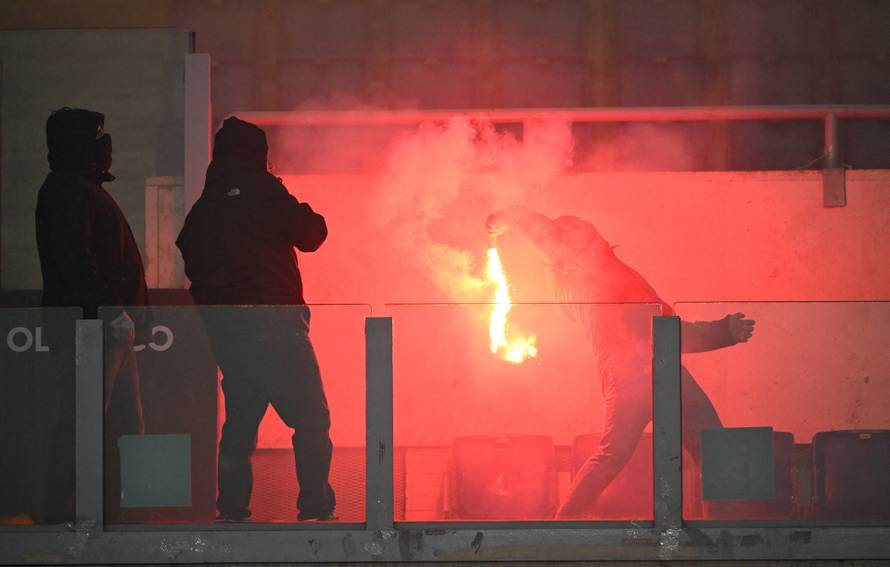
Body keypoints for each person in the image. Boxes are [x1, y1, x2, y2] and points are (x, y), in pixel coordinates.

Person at [485, 205, 754, 519]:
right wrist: (512, 216)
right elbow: (547, 235)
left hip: (657, 368)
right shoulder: (577, 274)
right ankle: (564, 526)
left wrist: (723, 331)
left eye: (579, 225)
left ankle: (723, 532)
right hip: (633, 374)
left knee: (707, 445)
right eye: (569, 229)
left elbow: (667, 330)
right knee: (620, 453)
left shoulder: (605, 274)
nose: (578, 229)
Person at [176, 117, 335, 522]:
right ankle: (315, 506)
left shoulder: (206, 203)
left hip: (229, 331)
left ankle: (231, 509)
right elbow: (312, 234)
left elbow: (190, 250)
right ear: (258, 154)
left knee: (241, 423)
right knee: (312, 420)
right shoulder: (264, 190)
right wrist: (281, 193)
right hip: (277, 324)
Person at [35, 108, 148, 523]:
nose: (106, 145)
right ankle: (65, 517)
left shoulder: (74, 187)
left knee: (114, 428)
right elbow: (75, 261)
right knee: (86, 425)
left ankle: (109, 516)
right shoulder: (70, 189)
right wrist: (112, 310)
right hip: (95, 329)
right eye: (98, 136)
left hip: (104, 329)